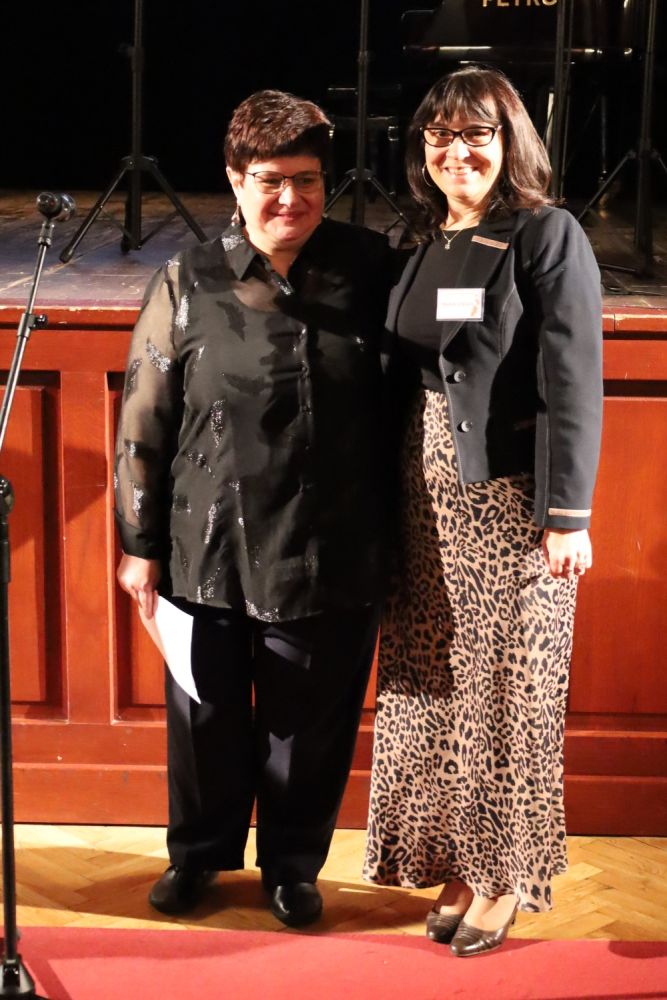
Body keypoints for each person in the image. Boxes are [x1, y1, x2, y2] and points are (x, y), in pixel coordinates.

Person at [115, 90, 395, 927]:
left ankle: (291, 867)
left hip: (331, 540)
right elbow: (144, 419)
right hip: (205, 542)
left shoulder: (372, 269)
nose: (290, 199)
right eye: (270, 180)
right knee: (202, 716)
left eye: (306, 180)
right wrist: (139, 543)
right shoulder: (187, 278)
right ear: (235, 180)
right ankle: (197, 856)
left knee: (307, 727)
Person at [363, 66, 603, 957]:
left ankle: (503, 876)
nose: (454, 151)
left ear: (509, 142)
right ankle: (455, 861)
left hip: (506, 501)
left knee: (506, 690)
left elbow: (572, 378)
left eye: (475, 134)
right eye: (438, 135)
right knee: (433, 682)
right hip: (422, 494)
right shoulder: (420, 238)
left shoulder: (543, 233)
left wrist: (566, 513)